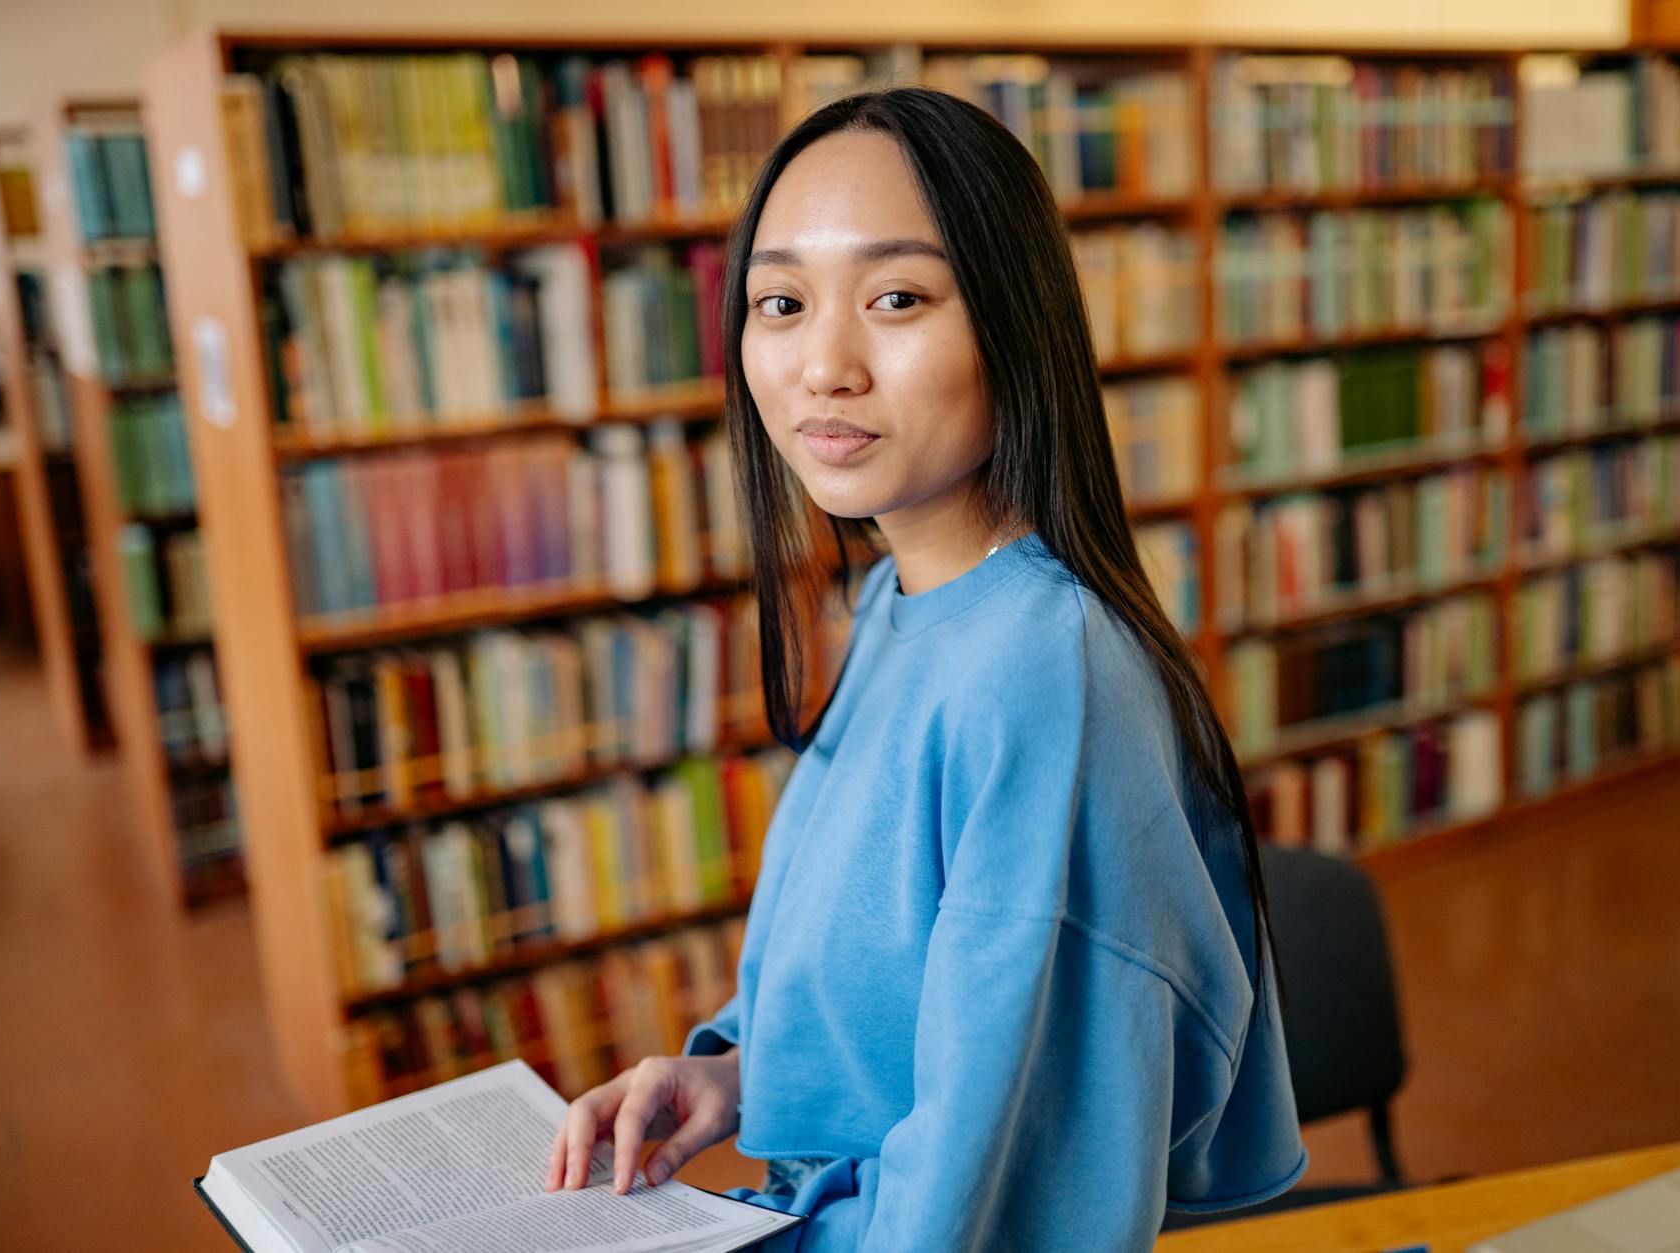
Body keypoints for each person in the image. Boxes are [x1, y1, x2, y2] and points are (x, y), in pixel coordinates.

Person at [545, 85, 1306, 1249]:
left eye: (896, 297)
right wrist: (736, 1077)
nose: (822, 365)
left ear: (1013, 322)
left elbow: (994, 1207)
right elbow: (906, 991)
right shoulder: (899, 599)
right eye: (780, 302)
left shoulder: (1041, 674)